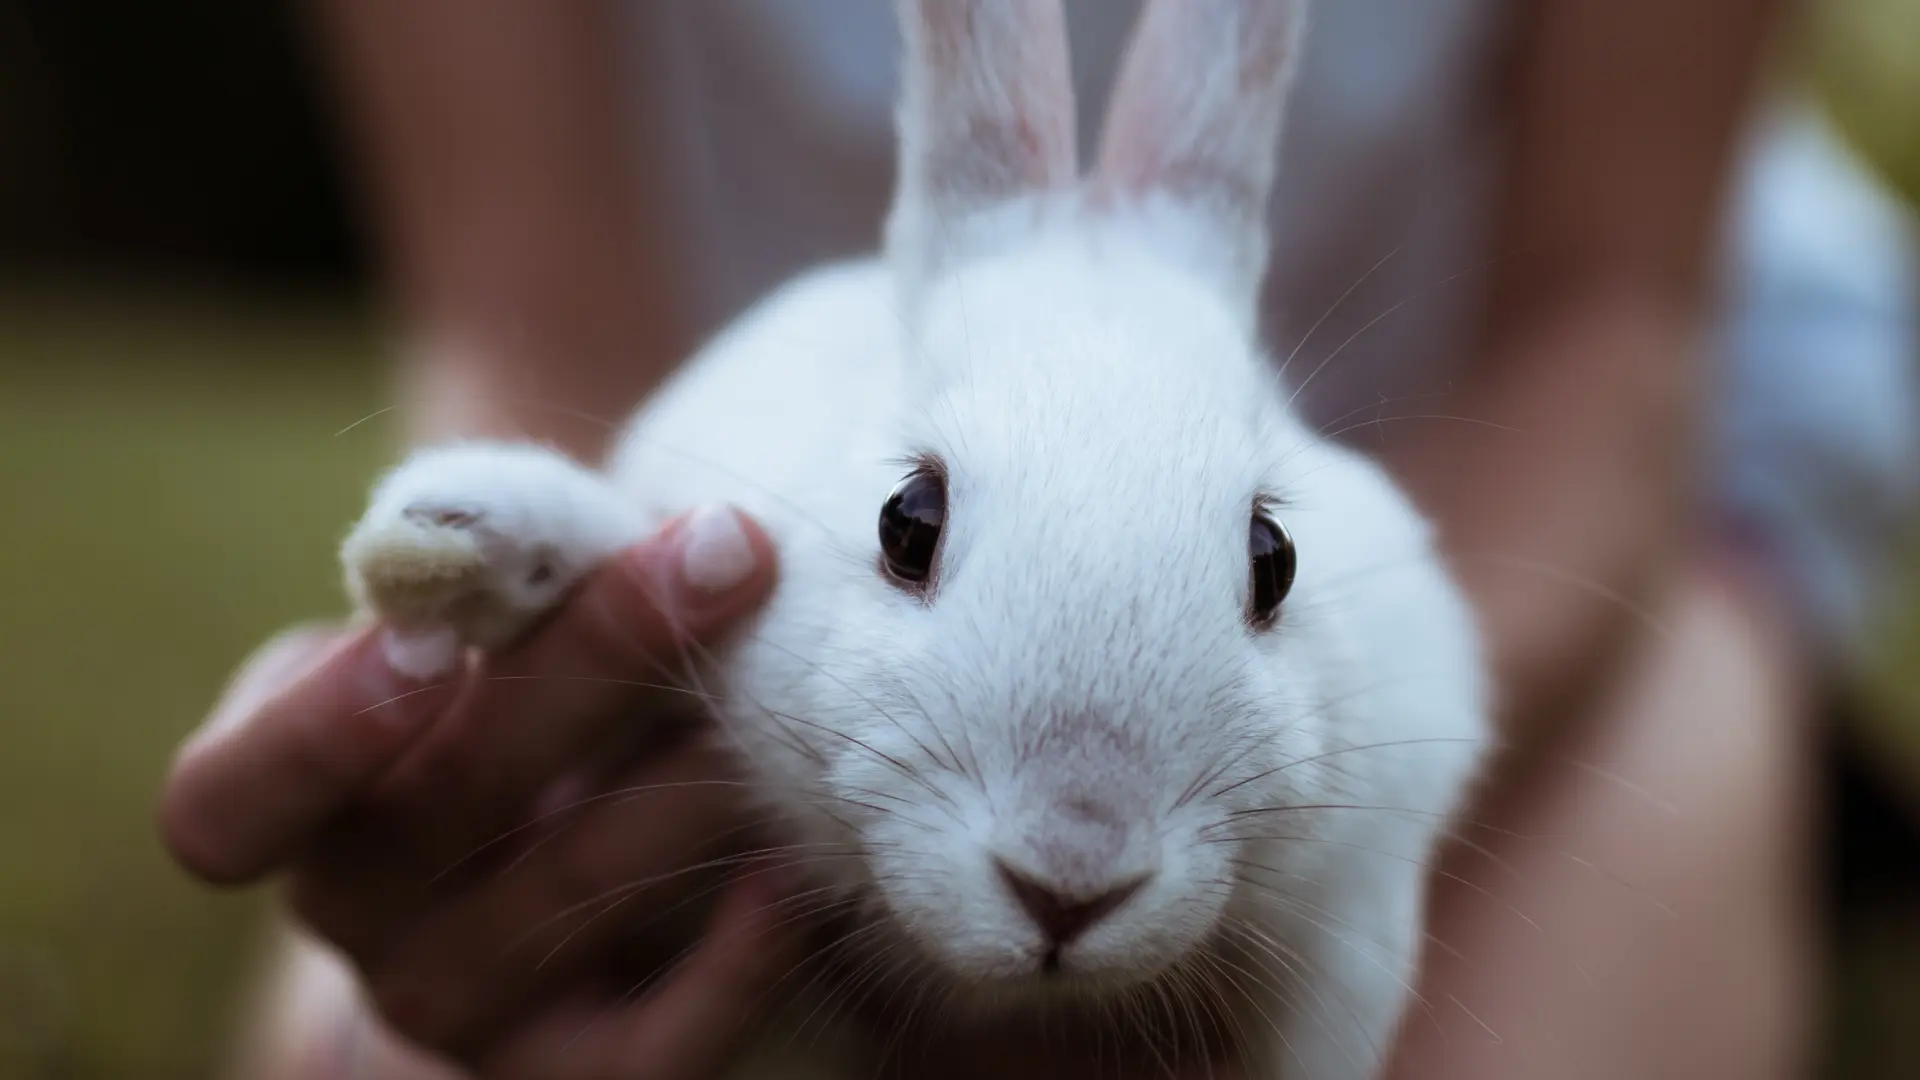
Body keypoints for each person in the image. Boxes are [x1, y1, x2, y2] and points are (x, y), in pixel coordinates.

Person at [160, 0, 1918, 1077]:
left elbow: (1605, 321)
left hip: (1528, 450)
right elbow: (542, 330)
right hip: (821, 378)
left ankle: (1753, 722)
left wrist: (1309, 867)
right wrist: (528, 691)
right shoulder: (805, 428)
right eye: (919, 533)